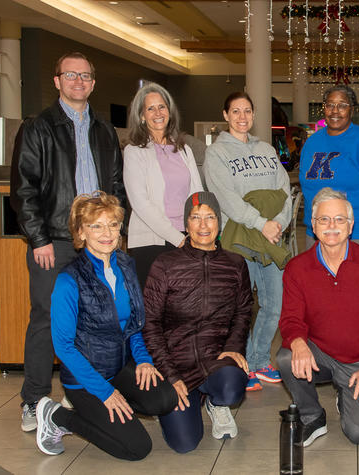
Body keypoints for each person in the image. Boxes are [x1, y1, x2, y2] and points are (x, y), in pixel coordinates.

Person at [10, 52, 127, 432]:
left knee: (94, 320)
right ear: (57, 81)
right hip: (55, 241)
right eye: (70, 74)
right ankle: (34, 399)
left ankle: (85, 391)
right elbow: (23, 190)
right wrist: (38, 238)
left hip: (99, 241)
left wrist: (114, 231)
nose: (78, 80)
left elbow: (116, 187)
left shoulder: (105, 131)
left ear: (93, 83)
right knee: (47, 320)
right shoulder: (38, 127)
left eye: (85, 75)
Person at [34, 192, 177, 460]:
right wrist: (105, 392)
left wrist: (144, 360)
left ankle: (107, 414)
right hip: (85, 380)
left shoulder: (125, 265)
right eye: (96, 225)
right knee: (136, 448)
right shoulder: (69, 280)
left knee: (164, 399)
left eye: (112, 224)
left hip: (118, 367)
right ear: (81, 232)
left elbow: (133, 323)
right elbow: (64, 348)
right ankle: (59, 417)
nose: (107, 232)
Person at [276, 188, 359, 446]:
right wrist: (298, 342)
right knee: (287, 356)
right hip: (319, 351)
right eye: (324, 219)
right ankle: (311, 416)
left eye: (339, 219)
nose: (332, 226)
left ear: (350, 225)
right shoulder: (297, 268)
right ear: (313, 225)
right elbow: (291, 319)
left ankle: (349, 395)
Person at [143, 191, 252, 453]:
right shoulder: (165, 264)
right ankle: (189, 397)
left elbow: (243, 310)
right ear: (186, 223)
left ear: (219, 222)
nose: (203, 226)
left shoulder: (235, 264)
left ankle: (216, 402)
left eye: (210, 217)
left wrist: (234, 346)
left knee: (231, 387)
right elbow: (150, 322)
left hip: (216, 358)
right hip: (176, 363)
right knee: (185, 444)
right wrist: (169, 374)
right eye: (195, 218)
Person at [204, 91, 291, 392]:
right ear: (225, 115)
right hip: (239, 239)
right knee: (240, 308)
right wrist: (261, 223)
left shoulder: (266, 149)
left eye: (248, 111)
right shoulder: (217, 154)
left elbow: (284, 190)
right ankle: (237, 364)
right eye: (236, 111)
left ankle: (258, 360)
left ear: (254, 115)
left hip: (270, 238)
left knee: (274, 304)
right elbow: (226, 198)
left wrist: (279, 222)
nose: (242, 117)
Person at [123, 82, 204, 289]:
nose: (157, 113)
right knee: (155, 312)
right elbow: (140, 203)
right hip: (153, 241)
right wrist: (177, 239)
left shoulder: (184, 149)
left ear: (169, 111)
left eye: (162, 107)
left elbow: (197, 194)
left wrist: (197, 230)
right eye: (150, 108)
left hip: (187, 238)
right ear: (141, 115)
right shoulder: (134, 151)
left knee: (186, 307)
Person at [299, 85, 359, 249]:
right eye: (330, 105)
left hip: (357, 233)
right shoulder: (311, 143)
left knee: (355, 275)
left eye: (342, 105)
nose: (335, 111)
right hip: (317, 232)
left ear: (352, 109)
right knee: (316, 275)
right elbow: (306, 185)